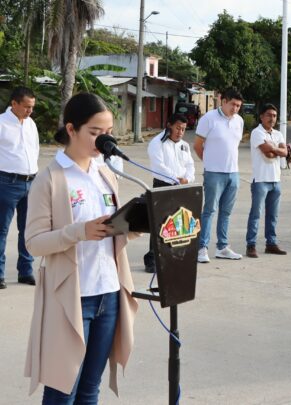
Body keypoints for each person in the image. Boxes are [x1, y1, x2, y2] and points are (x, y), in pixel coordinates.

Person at [24, 93, 138, 403]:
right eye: (95, 133)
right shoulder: (50, 179)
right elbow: (34, 242)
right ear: (71, 129)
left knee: (90, 389)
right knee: (63, 388)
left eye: (108, 132)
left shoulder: (105, 174)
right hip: (71, 296)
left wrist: (131, 227)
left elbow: (110, 234)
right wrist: (79, 232)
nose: (104, 141)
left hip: (109, 293)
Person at [194, 88, 245, 263]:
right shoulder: (209, 119)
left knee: (226, 212)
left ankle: (222, 247)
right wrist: (209, 163)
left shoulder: (239, 121)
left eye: (238, 106)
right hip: (214, 173)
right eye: (233, 104)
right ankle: (202, 248)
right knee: (209, 210)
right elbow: (198, 146)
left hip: (233, 173)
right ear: (223, 101)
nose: (235, 109)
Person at [144, 113, 195, 273]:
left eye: (184, 129)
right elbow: (158, 167)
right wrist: (176, 178)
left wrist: (187, 178)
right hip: (163, 185)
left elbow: (190, 165)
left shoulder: (184, 145)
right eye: (178, 128)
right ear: (169, 125)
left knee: (177, 223)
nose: (180, 132)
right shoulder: (157, 143)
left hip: (181, 187)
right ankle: (152, 259)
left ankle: (171, 255)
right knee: (159, 223)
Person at [0, 86, 39, 289]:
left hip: (30, 182)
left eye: (32, 107)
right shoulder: (1, 124)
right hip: (6, 182)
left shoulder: (31, 124)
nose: (30, 111)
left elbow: (35, 150)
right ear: (14, 103)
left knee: (28, 229)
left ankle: (26, 271)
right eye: (26, 107)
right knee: (1, 230)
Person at [245, 103, 288, 258]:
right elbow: (267, 153)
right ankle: (251, 245)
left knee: (273, 215)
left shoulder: (278, 134)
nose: (272, 118)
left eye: (274, 116)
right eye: (269, 115)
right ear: (261, 116)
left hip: (276, 179)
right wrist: (278, 151)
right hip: (261, 180)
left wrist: (274, 149)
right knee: (256, 214)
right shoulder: (257, 133)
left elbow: (284, 152)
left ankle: (271, 243)